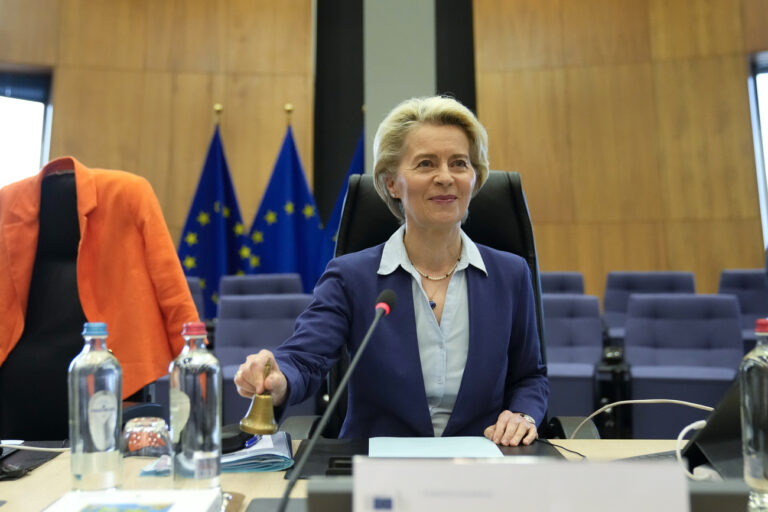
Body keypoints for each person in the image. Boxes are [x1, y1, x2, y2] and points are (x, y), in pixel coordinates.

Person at [235, 96, 548, 446]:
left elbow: (530, 377)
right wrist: (278, 377)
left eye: (459, 163)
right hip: (376, 471)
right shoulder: (350, 277)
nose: (445, 178)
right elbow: (305, 359)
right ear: (391, 184)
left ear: (474, 180)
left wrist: (522, 414)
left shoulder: (510, 275)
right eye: (426, 164)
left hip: (481, 467)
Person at [0, 156, 198, 439]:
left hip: (106, 377)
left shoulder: (128, 195)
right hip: (42, 382)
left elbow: (170, 287)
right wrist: (194, 361)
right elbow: (171, 288)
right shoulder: (8, 202)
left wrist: (190, 363)